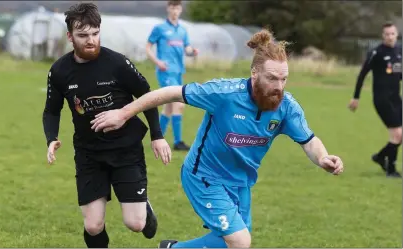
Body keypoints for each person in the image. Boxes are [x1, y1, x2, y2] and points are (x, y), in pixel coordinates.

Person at [91, 29, 345, 248]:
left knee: (231, 243)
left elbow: (309, 140)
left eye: (283, 78)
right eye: (272, 78)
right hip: (205, 177)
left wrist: (322, 157)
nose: (279, 86)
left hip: (241, 183)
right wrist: (124, 113)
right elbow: (171, 93)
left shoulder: (286, 106)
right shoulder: (224, 93)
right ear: (255, 73)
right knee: (240, 241)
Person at [42, 3, 172, 248]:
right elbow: (51, 110)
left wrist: (157, 135)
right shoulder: (59, 71)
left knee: (135, 224)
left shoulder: (117, 64)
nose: (90, 40)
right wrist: (51, 138)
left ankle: (143, 205)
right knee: (93, 226)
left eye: (95, 33)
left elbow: (148, 96)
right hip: (88, 153)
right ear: (70, 37)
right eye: (83, 35)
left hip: (126, 150)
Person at [348, 21, 402, 178]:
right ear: (382, 36)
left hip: (396, 98)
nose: (390, 37)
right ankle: (390, 169)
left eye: (392, 34)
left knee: (399, 135)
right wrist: (356, 97)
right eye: (387, 34)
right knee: (397, 134)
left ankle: (380, 157)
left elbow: (397, 73)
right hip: (382, 99)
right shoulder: (376, 53)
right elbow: (362, 74)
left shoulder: (399, 52)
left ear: (396, 35)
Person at [146, 0, 199, 151]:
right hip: (165, 72)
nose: (175, 10)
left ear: (180, 10)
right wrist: (158, 62)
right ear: (168, 9)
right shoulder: (160, 28)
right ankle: (178, 142)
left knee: (169, 108)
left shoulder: (182, 30)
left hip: (178, 72)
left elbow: (187, 48)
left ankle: (157, 137)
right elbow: (148, 47)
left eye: (177, 7)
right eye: (172, 7)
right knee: (179, 103)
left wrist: (192, 52)